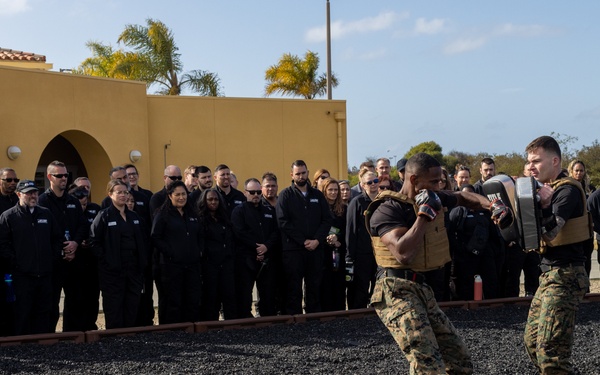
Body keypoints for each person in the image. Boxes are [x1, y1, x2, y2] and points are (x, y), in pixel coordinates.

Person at [367, 152, 511, 373]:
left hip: (423, 289)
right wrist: (424, 216)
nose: (439, 186)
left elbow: (464, 198)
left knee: (459, 360)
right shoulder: (388, 208)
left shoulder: (433, 196)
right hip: (395, 291)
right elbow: (402, 253)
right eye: (434, 182)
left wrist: (493, 206)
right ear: (414, 180)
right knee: (428, 364)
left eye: (440, 181)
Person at [523, 136, 591, 374]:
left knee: (551, 354)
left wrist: (542, 206)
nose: (531, 166)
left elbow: (551, 231)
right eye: (529, 161)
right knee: (532, 344)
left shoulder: (568, 191)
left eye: (536, 161)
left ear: (554, 161)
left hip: (566, 275)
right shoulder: (542, 190)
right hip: (548, 275)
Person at [0, 180, 62, 335]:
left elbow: (57, 238)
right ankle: (23, 345)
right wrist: (16, 263)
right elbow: (3, 244)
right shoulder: (9, 217)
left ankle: (41, 344)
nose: (33, 196)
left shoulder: (46, 214)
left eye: (34, 192)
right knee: (22, 312)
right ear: (19, 194)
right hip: (22, 276)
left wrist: (51, 258)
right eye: (28, 193)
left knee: (43, 311)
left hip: (45, 274)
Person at [89, 180, 147, 329]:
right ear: (110, 194)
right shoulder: (104, 216)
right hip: (112, 272)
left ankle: (129, 336)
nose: (123, 195)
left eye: (125, 192)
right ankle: (114, 338)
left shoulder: (134, 217)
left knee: (132, 304)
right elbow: (94, 242)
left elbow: (142, 240)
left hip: (133, 270)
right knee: (114, 306)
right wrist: (107, 261)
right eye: (119, 192)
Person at [38, 161, 88, 333]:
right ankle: (49, 335)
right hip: (54, 261)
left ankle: (72, 334)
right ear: (50, 177)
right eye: (59, 176)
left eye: (66, 175)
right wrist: (62, 248)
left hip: (73, 259)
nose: (64, 179)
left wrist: (74, 243)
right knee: (51, 302)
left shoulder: (73, 201)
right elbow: (43, 231)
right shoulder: (42, 202)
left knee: (76, 299)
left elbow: (82, 226)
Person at [276, 160, 332, 315]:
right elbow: (282, 222)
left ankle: (313, 316)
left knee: (314, 285)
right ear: (292, 175)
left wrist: (317, 240)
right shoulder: (285, 195)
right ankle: (295, 318)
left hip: (315, 249)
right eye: (298, 173)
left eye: (303, 173)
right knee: (293, 286)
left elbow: (327, 219)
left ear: (308, 172)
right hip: (293, 250)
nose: (301, 176)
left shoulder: (318, 195)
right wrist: (303, 240)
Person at [151, 180, 203, 324]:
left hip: (192, 265)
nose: (181, 197)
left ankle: (190, 329)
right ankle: (172, 331)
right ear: (169, 196)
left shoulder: (192, 214)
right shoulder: (162, 215)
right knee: (173, 300)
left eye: (184, 194)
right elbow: (155, 237)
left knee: (191, 299)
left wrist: (199, 251)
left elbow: (200, 235)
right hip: (170, 266)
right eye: (178, 194)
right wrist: (171, 252)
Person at [231, 178, 279, 318]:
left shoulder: (269, 210)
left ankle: (267, 320)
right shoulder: (239, 211)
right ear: (245, 193)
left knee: (268, 293)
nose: (256, 195)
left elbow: (276, 231)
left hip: (266, 258)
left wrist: (266, 247)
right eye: (252, 192)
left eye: (258, 191)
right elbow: (239, 233)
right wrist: (256, 248)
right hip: (246, 259)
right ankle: (245, 321)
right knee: (245, 293)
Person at [448, 185, 503, 300]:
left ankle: (491, 306)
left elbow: (493, 232)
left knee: (491, 281)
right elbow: (451, 234)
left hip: (485, 253)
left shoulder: (484, 212)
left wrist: (494, 250)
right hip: (466, 254)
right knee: (465, 283)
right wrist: (461, 250)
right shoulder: (458, 212)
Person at [198, 188, 237, 320]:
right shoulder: (200, 220)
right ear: (204, 201)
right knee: (211, 297)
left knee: (229, 296)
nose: (213, 202)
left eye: (216, 199)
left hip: (226, 264)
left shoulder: (224, 219)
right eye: (210, 199)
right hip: (210, 264)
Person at [346, 170, 379, 309]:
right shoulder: (357, 202)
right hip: (361, 253)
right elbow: (351, 231)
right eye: (369, 182)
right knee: (360, 288)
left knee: (378, 287)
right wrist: (350, 256)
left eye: (375, 181)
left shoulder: (382, 200)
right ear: (362, 185)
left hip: (379, 252)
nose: (373, 185)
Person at [319, 178, 347, 312]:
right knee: (325, 284)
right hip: (322, 250)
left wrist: (337, 238)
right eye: (330, 189)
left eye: (336, 190)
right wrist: (326, 238)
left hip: (338, 249)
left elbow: (347, 228)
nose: (333, 192)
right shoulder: (319, 208)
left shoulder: (344, 208)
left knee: (339, 283)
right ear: (324, 191)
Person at [0, 167, 19, 336]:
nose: (13, 183)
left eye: (15, 180)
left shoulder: (17, 200)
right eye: (8, 180)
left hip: (17, 261)